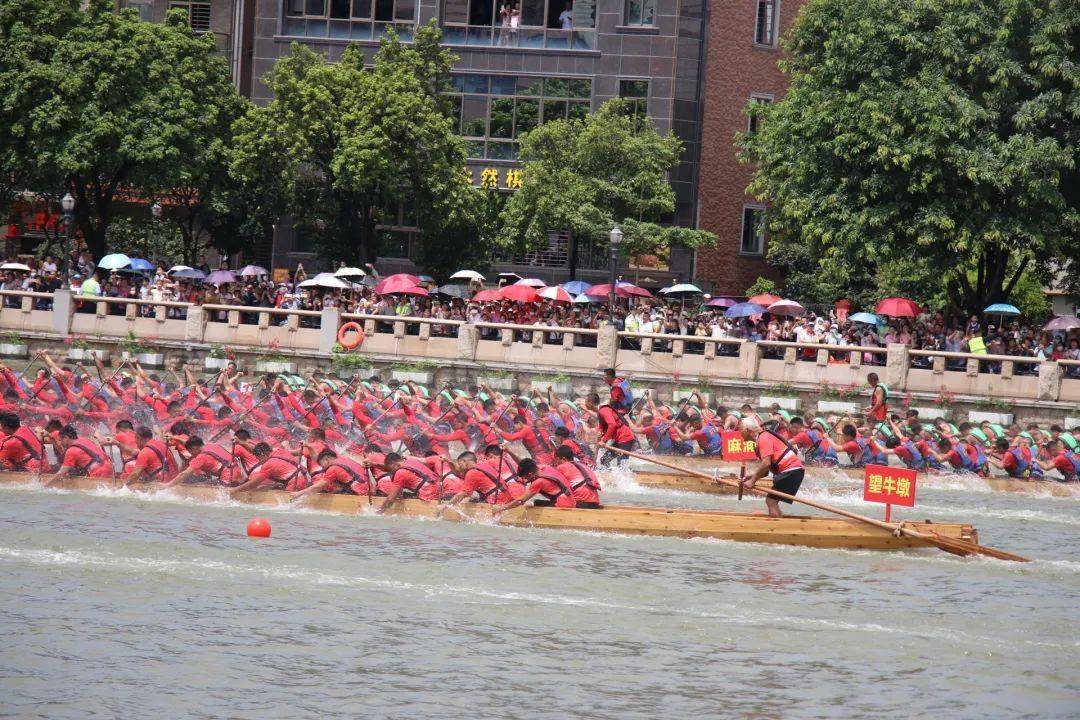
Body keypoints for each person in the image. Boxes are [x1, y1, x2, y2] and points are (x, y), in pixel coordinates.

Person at [738, 418, 804, 518]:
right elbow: (765, 471)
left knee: (771, 501)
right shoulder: (761, 439)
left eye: (740, 429)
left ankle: (777, 529)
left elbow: (766, 463)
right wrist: (751, 478)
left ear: (747, 430)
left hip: (791, 470)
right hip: (793, 470)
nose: (739, 433)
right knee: (771, 501)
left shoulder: (763, 437)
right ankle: (778, 524)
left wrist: (752, 481)